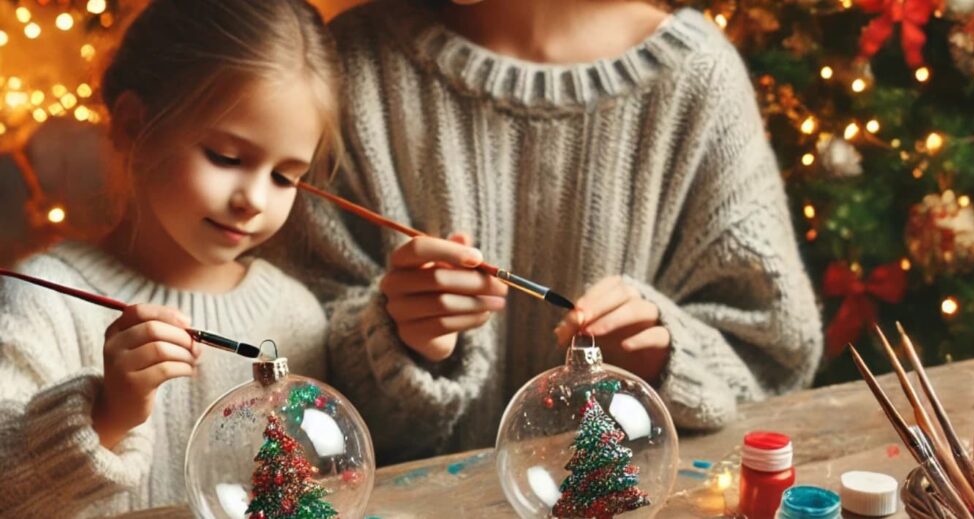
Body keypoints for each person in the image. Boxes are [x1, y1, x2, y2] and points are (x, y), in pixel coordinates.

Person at [283, 0, 824, 465]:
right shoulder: (353, 63)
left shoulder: (699, 78)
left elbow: (775, 353)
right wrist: (395, 339)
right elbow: (281, 338)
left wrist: (663, 358)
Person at [0, 1, 343, 515]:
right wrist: (106, 414)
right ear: (134, 125)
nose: (254, 199)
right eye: (227, 157)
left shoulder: (296, 315)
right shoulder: (44, 300)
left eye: (284, 176)